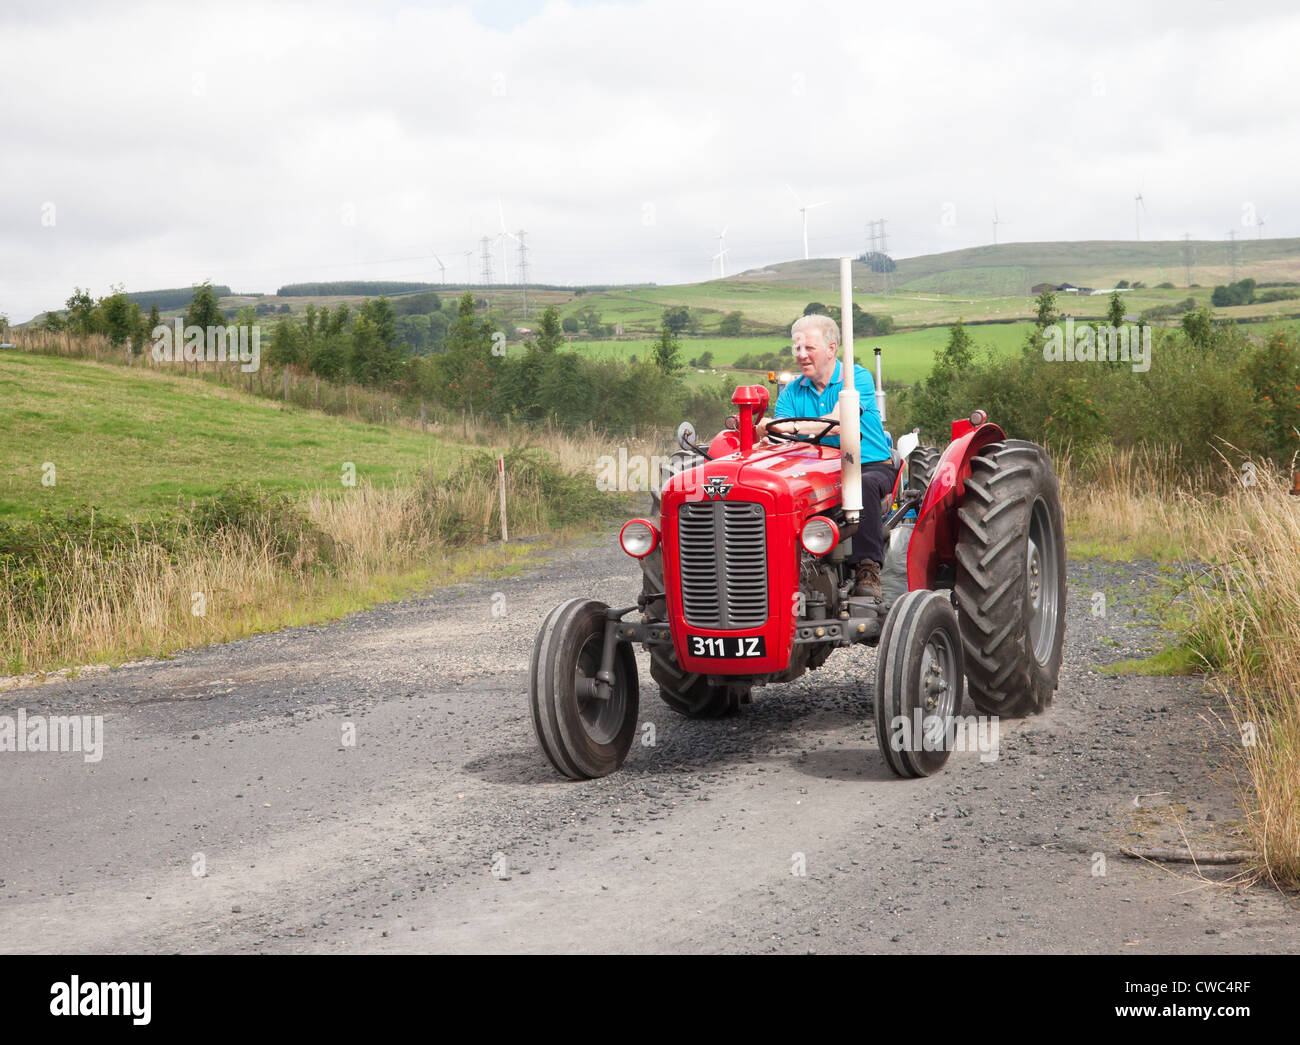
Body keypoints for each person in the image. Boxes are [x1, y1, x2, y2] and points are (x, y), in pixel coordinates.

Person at [756, 314, 895, 599]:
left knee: (862, 484)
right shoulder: (791, 392)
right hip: (815, 469)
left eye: (809, 348)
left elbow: (842, 420)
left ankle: (867, 570)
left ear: (832, 348)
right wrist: (767, 433)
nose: (801, 355)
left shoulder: (857, 378)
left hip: (866, 463)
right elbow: (778, 437)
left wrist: (793, 426)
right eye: (797, 348)